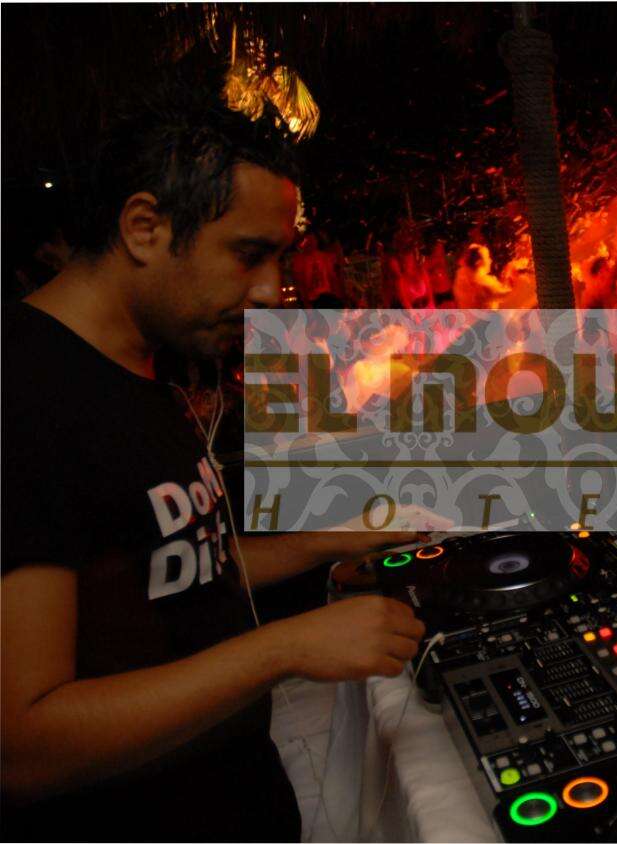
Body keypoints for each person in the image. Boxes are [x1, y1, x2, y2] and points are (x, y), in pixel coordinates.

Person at [1, 79, 425, 841]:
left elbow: (173, 567)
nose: (269, 292)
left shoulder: (137, 365)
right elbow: (22, 747)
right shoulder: (23, 397)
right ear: (144, 227)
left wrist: (332, 541)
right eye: (248, 254)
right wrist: (284, 647)